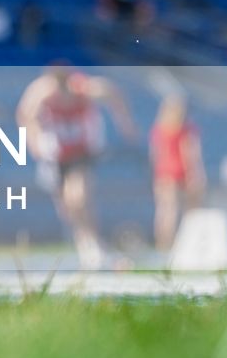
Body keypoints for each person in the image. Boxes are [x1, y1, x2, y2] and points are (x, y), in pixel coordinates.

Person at [15, 63, 137, 269]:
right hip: (56, 154)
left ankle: (94, 244)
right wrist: (34, 140)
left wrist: (124, 122)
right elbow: (24, 114)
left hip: (81, 151)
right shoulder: (42, 91)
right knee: (67, 207)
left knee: (78, 196)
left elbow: (113, 93)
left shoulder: (86, 88)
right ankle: (87, 243)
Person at [147, 92, 205, 251]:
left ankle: (164, 245)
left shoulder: (159, 129)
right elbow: (190, 153)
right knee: (190, 211)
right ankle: (189, 244)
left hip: (163, 172)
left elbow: (154, 154)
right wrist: (195, 174)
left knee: (165, 211)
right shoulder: (186, 129)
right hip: (182, 171)